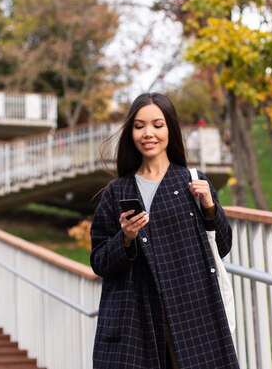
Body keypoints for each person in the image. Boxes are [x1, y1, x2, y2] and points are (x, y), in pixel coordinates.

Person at [90, 93, 239, 369]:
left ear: (170, 128)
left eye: (157, 125)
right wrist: (125, 238)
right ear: (131, 132)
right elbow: (98, 261)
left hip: (193, 317)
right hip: (135, 320)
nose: (148, 133)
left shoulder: (192, 183)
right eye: (139, 126)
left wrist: (210, 209)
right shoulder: (117, 191)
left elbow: (223, 245)